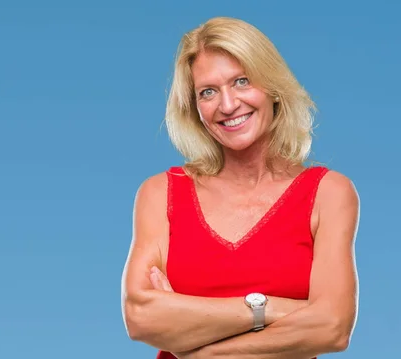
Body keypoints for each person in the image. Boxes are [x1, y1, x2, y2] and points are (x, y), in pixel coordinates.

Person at [120, 16, 360, 359]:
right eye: (208, 92)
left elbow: (333, 328)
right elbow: (141, 317)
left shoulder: (328, 193)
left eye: (242, 81)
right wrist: (271, 310)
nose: (228, 105)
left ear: (273, 87)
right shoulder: (161, 193)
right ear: (194, 109)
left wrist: (204, 350)